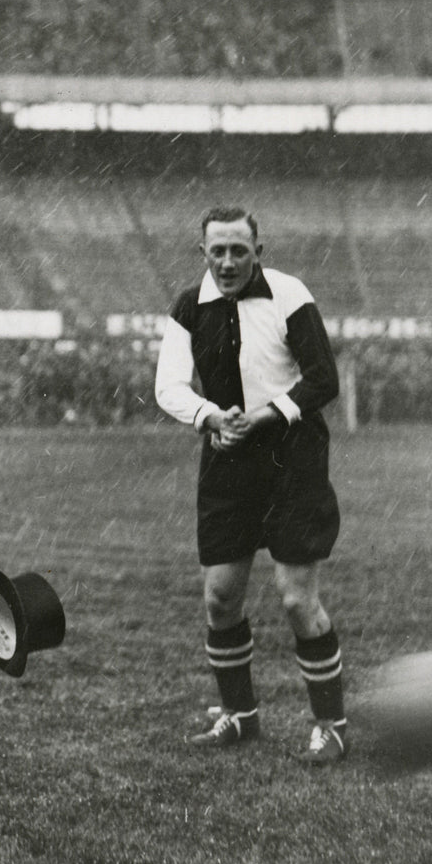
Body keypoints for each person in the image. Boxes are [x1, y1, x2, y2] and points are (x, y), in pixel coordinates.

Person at [155, 207, 348, 765]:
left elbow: (323, 379)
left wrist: (265, 415)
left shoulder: (289, 295)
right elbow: (168, 385)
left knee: (296, 600)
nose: (228, 261)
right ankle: (239, 716)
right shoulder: (189, 306)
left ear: (258, 251)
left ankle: (330, 725)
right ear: (203, 254)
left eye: (239, 250)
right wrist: (212, 418)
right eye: (217, 251)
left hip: (293, 458)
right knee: (220, 598)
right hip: (227, 458)